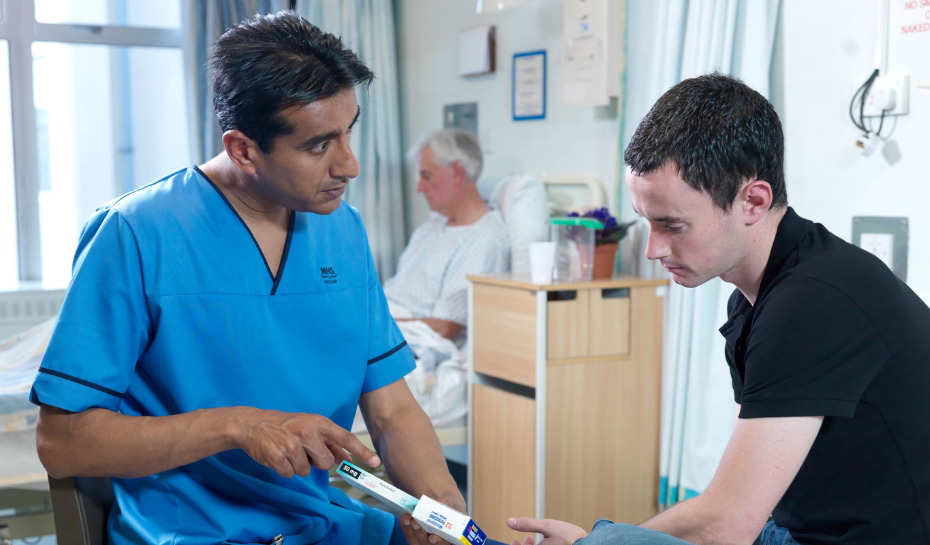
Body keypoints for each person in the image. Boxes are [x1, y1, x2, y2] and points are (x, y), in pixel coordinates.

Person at [30, 11, 465, 545]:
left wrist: (439, 504)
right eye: (318, 145)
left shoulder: (343, 230)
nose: (349, 165)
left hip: (323, 524)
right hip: (191, 532)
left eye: (348, 133)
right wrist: (236, 426)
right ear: (242, 149)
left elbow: (392, 408)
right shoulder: (137, 233)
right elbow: (62, 443)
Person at [506, 72, 930, 545]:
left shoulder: (813, 303)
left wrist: (597, 542)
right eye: (646, 221)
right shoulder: (756, 300)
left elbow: (726, 525)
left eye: (672, 225)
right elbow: (730, 504)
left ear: (752, 200)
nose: (653, 249)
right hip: (796, 526)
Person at [383, 129, 510, 342]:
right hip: (381, 321)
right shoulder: (429, 229)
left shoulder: (484, 239)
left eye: (426, 175)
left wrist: (372, 328)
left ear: (457, 172)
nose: (419, 188)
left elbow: (444, 328)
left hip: (404, 339)